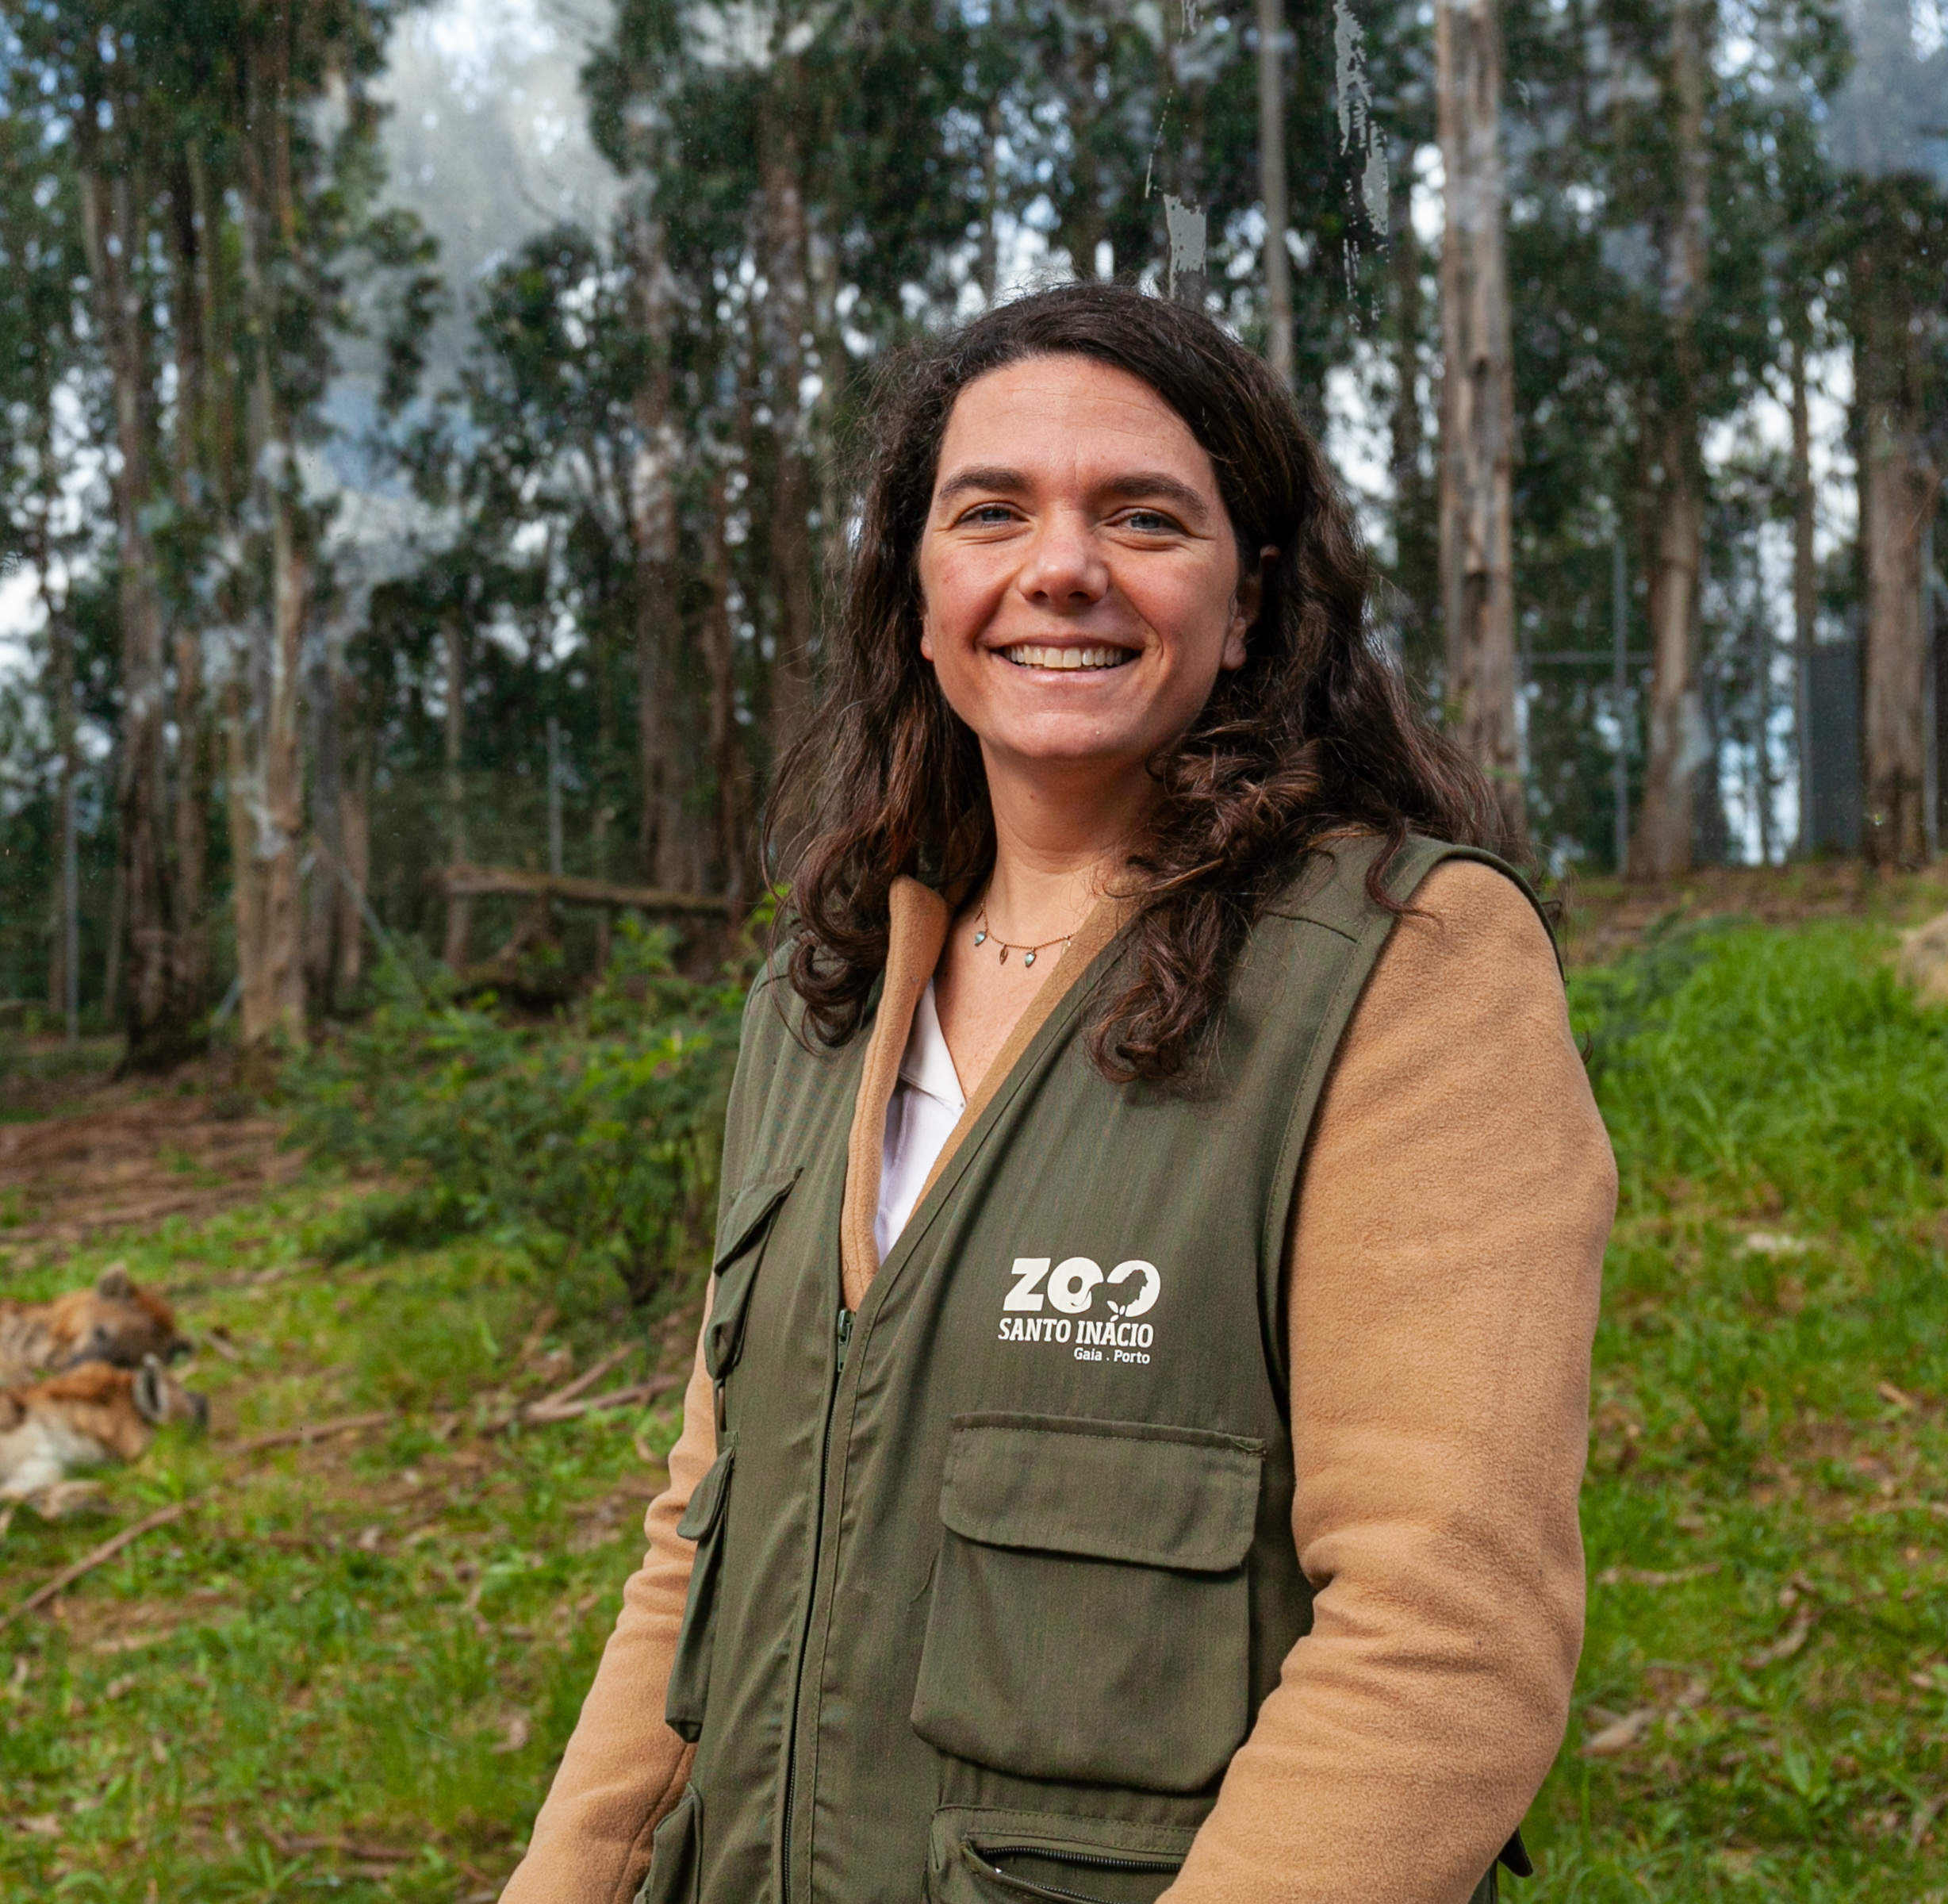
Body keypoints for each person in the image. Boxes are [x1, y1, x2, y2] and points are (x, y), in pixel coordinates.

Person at [497, 283, 1612, 1904]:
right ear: (923, 593)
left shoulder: (1399, 966)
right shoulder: (817, 1006)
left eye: (1144, 515)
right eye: (992, 511)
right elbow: (697, 1544)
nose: (1061, 566)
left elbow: (1445, 1634)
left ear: (1250, 604)